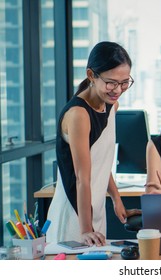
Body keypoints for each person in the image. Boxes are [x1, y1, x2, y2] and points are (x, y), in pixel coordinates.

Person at [46, 41, 140, 246]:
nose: (118, 89)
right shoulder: (79, 114)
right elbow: (82, 178)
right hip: (74, 216)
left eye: (124, 82)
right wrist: (86, 229)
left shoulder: (111, 105)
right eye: (111, 82)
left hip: (94, 212)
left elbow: (100, 161)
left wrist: (117, 200)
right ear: (91, 75)